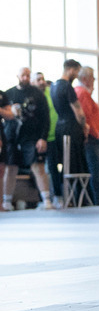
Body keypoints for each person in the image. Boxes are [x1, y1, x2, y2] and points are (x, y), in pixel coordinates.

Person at [4, 67, 53, 210]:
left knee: (38, 166)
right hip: (12, 137)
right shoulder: (9, 94)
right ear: (17, 76)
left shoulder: (37, 94)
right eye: (23, 75)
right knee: (10, 168)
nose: (25, 78)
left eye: (27, 75)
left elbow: (45, 118)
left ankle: (46, 200)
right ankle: (6, 201)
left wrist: (42, 138)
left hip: (31, 137)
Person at [51, 59, 86, 202]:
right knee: (76, 164)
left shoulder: (54, 86)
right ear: (71, 70)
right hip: (71, 128)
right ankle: (77, 199)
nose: (77, 75)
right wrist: (84, 126)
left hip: (60, 128)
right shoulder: (67, 87)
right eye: (77, 72)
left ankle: (65, 197)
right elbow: (79, 112)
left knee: (66, 164)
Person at [75, 67, 99, 206]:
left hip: (92, 136)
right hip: (91, 138)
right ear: (85, 79)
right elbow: (86, 115)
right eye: (92, 77)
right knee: (95, 170)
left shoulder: (81, 92)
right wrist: (95, 132)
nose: (94, 80)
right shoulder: (82, 93)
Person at [35, 72, 61, 208]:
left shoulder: (51, 92)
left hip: (52, 137)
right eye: (38, 79)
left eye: (43, 79)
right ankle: (43, 199)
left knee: (53, 167)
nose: (41, 82)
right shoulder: (33, 96)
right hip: (38, 138)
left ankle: (58, 196)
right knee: (38, 169)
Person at [0, 88, 12, 211]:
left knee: (1, 169)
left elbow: (10, 115)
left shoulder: (2, 94)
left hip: (1, 134)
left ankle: (0, 204)